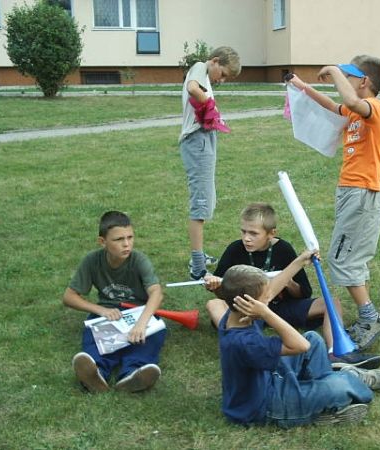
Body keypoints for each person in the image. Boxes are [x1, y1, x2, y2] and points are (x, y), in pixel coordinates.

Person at [286, 55, 380, 350]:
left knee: (341, 259)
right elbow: (334, 107)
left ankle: (371, 317)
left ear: (363, 81)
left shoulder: (375, 109)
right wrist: (303, 88)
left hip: (362, 193)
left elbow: (352, 103)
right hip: (350, 192)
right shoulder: (354, 112)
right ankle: (366, 316)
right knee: (352, 259)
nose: (342, 81)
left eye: (347, 77)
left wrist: (332, 71)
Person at [216, 253, 380, 428]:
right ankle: (339, 390)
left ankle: (323, 389)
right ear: (251, 303)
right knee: (339, 385)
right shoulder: (245, 342)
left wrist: (300, 261)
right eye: (264, 299)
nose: (269, 298)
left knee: (314, 339)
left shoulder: (236, 314)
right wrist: (266, 313)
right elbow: (300, 345)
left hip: (268, 378)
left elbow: (271, 291)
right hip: (265, 405)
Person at [205, 202, 380, 369]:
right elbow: (225, 292)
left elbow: (303, 293)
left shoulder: (283, 249)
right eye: (243, 232)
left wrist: (288, 283)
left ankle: (335, 354)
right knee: (213, 305)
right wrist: (216, 286)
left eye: (253, 233)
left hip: (282, 308)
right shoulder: (235, 249)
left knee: (332, 302)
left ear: (271, 233)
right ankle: (236, 338)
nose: (246, 238)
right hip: (247, 311)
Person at [63, 211, 166, 393]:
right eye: (118, 239)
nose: (126, 244)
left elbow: (156, 293)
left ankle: (133, 374)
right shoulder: (92, 261)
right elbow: (69, 297)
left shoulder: (139, 260)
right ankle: (95, 371)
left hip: (139, 312)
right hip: (108, 312)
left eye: (130, 237)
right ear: (102, 242)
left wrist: (141, 324)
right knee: (95, 338)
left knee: (147, 339)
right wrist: (100, 310)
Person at [179, 46, 242, 280]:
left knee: (207, 198)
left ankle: (200, 254)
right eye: (223, 74)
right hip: (196, 141)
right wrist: (210, 105)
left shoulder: (205, 74)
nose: (222, 80)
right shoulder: (199, 68)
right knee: (201, 202)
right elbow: (192, 88)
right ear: (215, 61)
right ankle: (197, 265)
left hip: (205, 139)